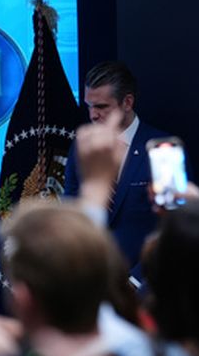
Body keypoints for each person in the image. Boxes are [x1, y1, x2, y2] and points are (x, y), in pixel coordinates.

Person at [64, 61, 174, 281]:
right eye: (89, 106)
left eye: (102, 107)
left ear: (127, 102)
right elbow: (71, 212)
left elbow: (173, 228)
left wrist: (136, 280)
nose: (93, 115)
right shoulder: (82, 147)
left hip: (146, 285)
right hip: (91, 282)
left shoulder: (162, 149)